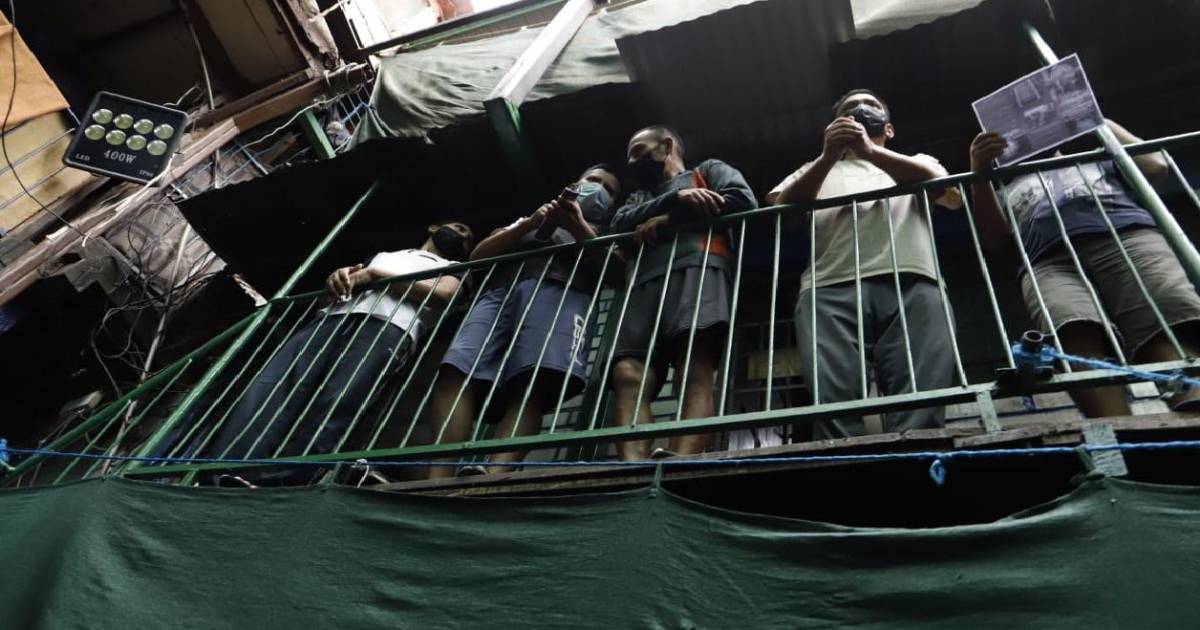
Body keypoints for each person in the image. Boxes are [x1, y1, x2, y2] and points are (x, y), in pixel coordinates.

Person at [204, 221, 474, 485]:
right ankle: (226, 471)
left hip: (390, 326)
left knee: (339, 402)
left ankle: (285, 481)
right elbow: (343, 285)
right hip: (331, 318)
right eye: (459, 228)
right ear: (433, 227)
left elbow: (444, 295)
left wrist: (375, 276)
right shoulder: (384, 255)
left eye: (467, 240)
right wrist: (338, 278)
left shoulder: (455, 267)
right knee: (273, 389)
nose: (462, 237)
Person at [968, 119, 1200, 417]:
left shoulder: (1096, 160)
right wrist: (979, 170)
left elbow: (1155, 166)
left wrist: (1093, 118)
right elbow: (994, 239)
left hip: (1125, 236)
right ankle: (1118, 431)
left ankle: (1193, 407)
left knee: (1163, 320)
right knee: (1072, 330)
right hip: (1047, 260)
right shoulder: (1006, 187)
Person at [767, 89, 961, 439]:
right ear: (833, 127)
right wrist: (828, 157)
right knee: (833, 399)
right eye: (848, 108)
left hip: (912, 278)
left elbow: (944, 192)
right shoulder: (813, 169)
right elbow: (782, 211)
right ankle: (845, 460)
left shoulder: (917, 160)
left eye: (870, 105)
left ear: (889, 128)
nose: (859, 109)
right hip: (829, 286)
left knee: (922, 394)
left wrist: (870, 152)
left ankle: (917, 456)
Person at [427, 165, 622, 478]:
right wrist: (529, 224)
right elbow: (478, 256)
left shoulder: (607, 228)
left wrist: (578, 227)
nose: (599, 190)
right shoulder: (529, 218)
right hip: (500, 292)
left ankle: (495, 474)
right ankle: (439, 476)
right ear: (575, 184)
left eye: (608, 190)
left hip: (561, 289)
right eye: (593, 180)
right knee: (456, 370)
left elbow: (618, 273)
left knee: (533, 381)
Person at [608, 126, 757, 460]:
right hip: (644, 281)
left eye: (638, 150)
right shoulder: (639, 196)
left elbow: (741, 199)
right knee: (627, 372)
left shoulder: (708, 171)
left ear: (666, 146)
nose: (631, 162)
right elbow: (619, 224)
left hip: (699, 265)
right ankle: (632, 467)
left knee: (694, 365)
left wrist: (667, 219)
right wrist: (676, 199)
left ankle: (681, 461)